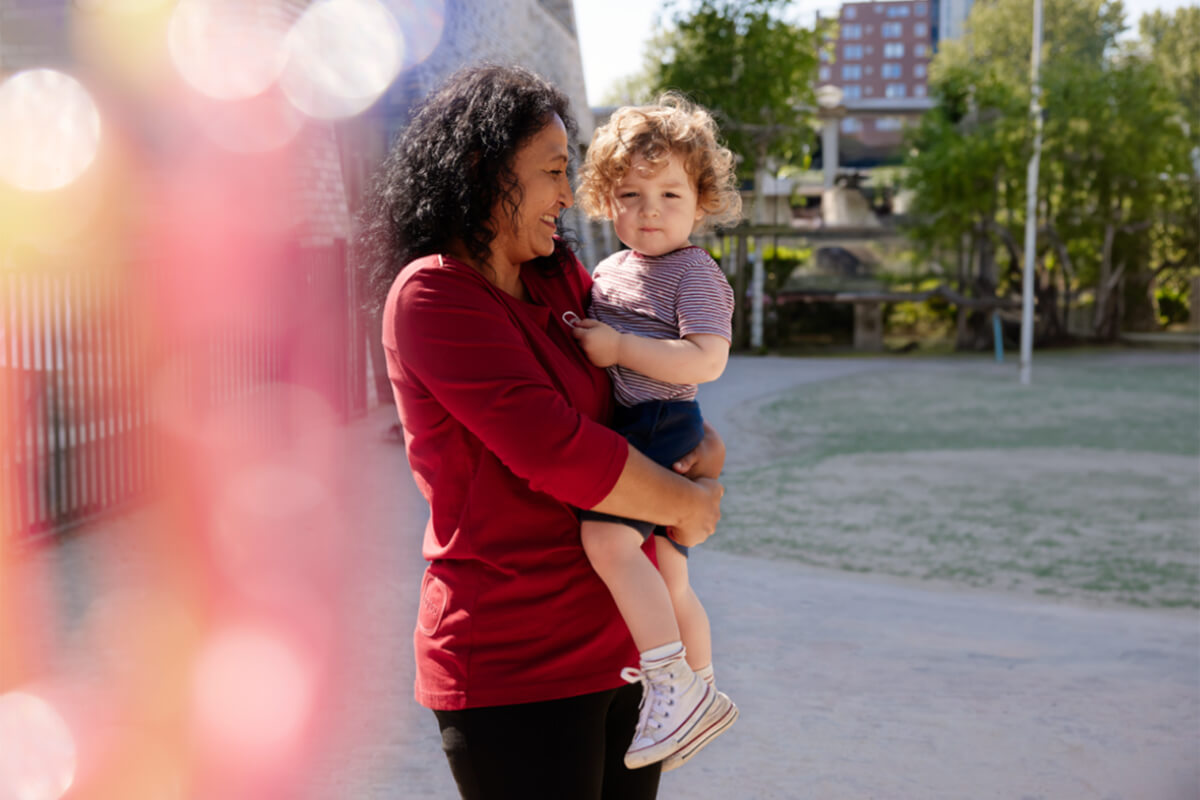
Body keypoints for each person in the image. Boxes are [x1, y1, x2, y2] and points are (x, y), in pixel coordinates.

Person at [357, 64, 728, 800]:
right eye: (554, 171)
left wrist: (700, 444)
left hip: (623, 653)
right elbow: (558, 450)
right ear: (482, 170)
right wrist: (686, 505)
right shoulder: (432, 295)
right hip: (516, 663)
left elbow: (634, 389)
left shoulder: (559, 278)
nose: (568, 195)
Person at [570, 95, 744, 772]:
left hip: (665, 419)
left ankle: (670, 685)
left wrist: (619, 350)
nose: (650, 210)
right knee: (669, 575)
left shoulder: (693, 270)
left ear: (701, 202)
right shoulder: (609, 272)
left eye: (670, 193)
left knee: (605, 538)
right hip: (637, 421)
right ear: (605, 201)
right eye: (630, 194)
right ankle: (698, 695)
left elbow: (708, 358)